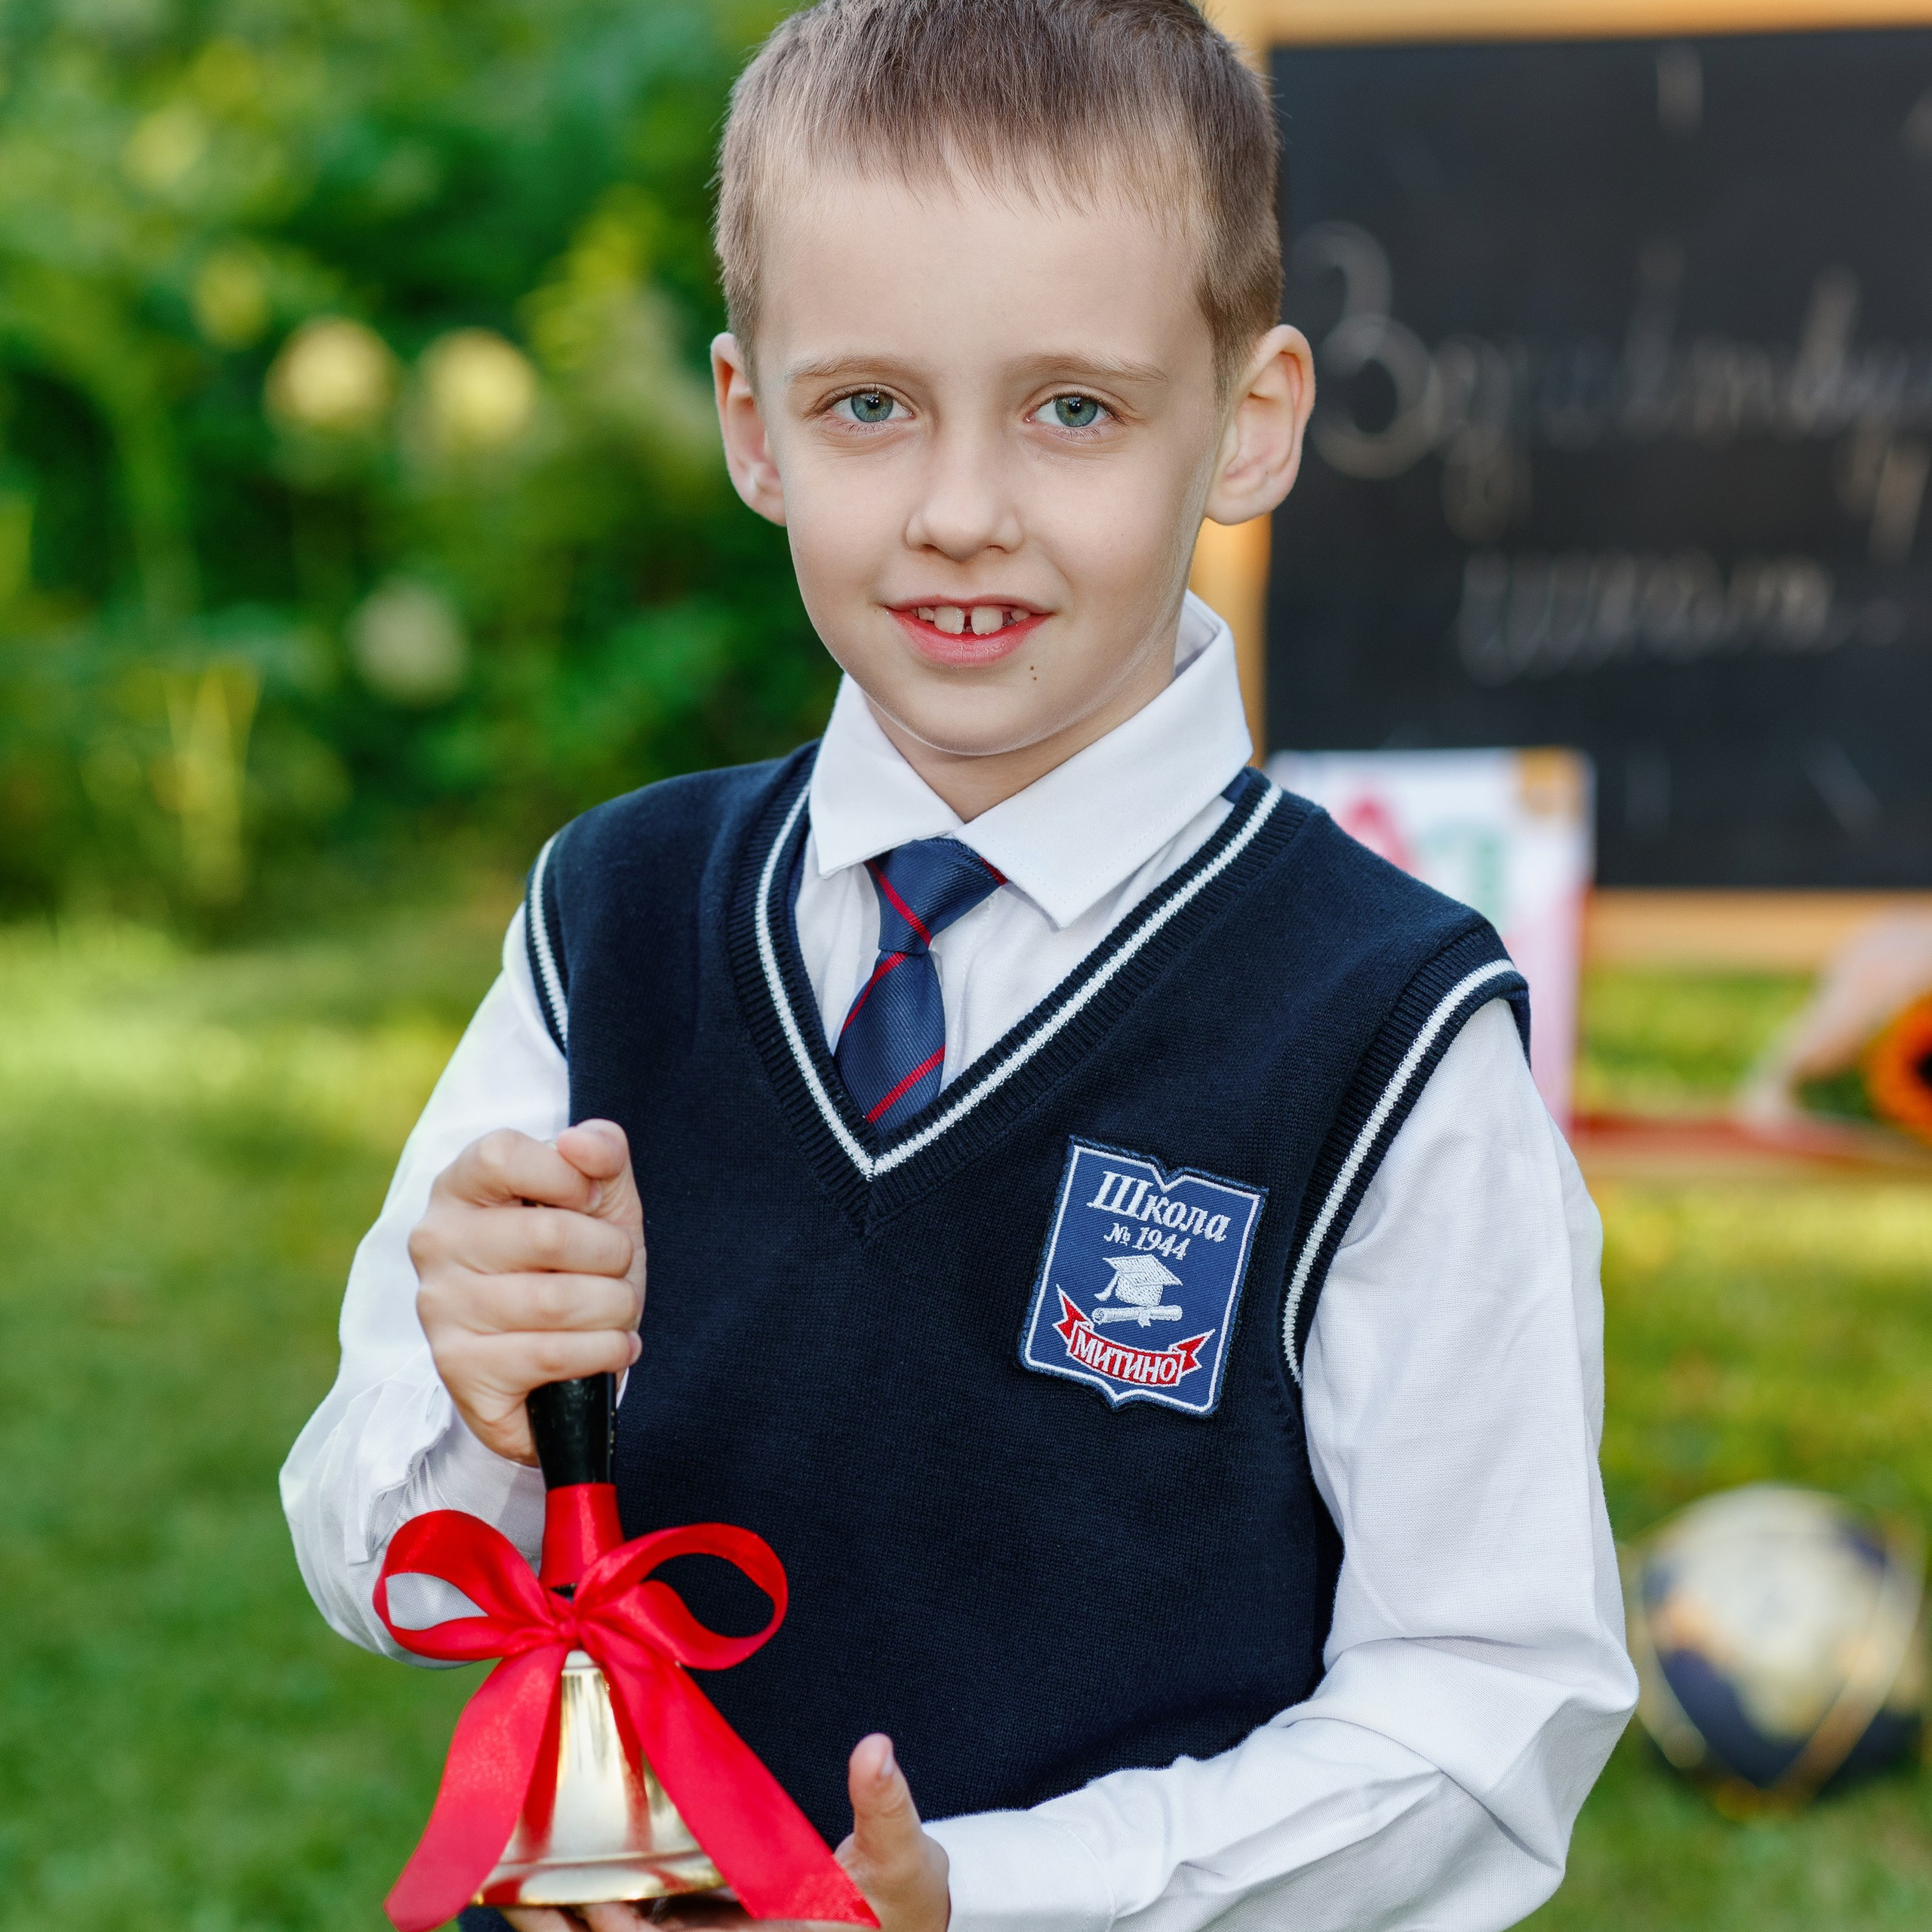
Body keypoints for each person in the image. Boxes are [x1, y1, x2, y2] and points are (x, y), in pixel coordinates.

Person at [281, 4, 1636, 1930]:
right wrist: (474, 1397)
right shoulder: (615, 913)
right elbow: (366, 1551)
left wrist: (982, 1896)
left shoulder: (1381, 1033)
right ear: (753, 426)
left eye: (1071, 407)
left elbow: (1491, 1704)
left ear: (1244, 421)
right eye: (869, 407)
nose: (958, 509)